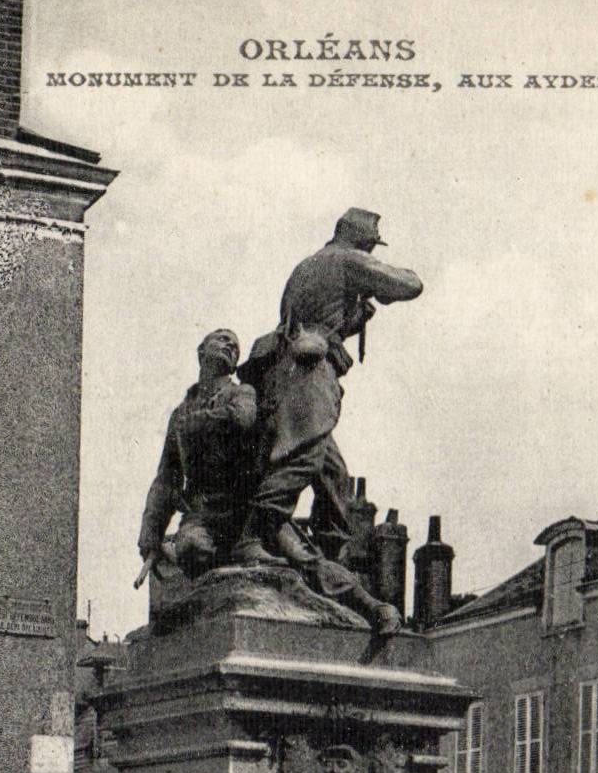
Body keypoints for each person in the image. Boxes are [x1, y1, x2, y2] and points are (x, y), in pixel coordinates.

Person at [235, 208, 423, 569]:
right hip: (308, 376)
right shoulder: (346, 259)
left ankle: (329, 560)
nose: (371, 254)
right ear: (361, 241)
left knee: (334, 475)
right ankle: (254, 536)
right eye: (370, 246)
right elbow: (410, 285)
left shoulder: (307, 266)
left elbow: (319, 320)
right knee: (303, 458)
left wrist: (353, 317)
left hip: (285, 373)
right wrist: (374, 285)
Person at [136, 329, 259, 583]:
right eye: (222, 339)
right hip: (200, 514)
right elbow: (167, 479)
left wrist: (198, 421)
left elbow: (243, 418)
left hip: (242, 512)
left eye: (235, 346)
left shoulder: (242, 393)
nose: (230, 345)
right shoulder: (180, 413)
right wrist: (151, 533)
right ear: (201, 352)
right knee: (192, 549)